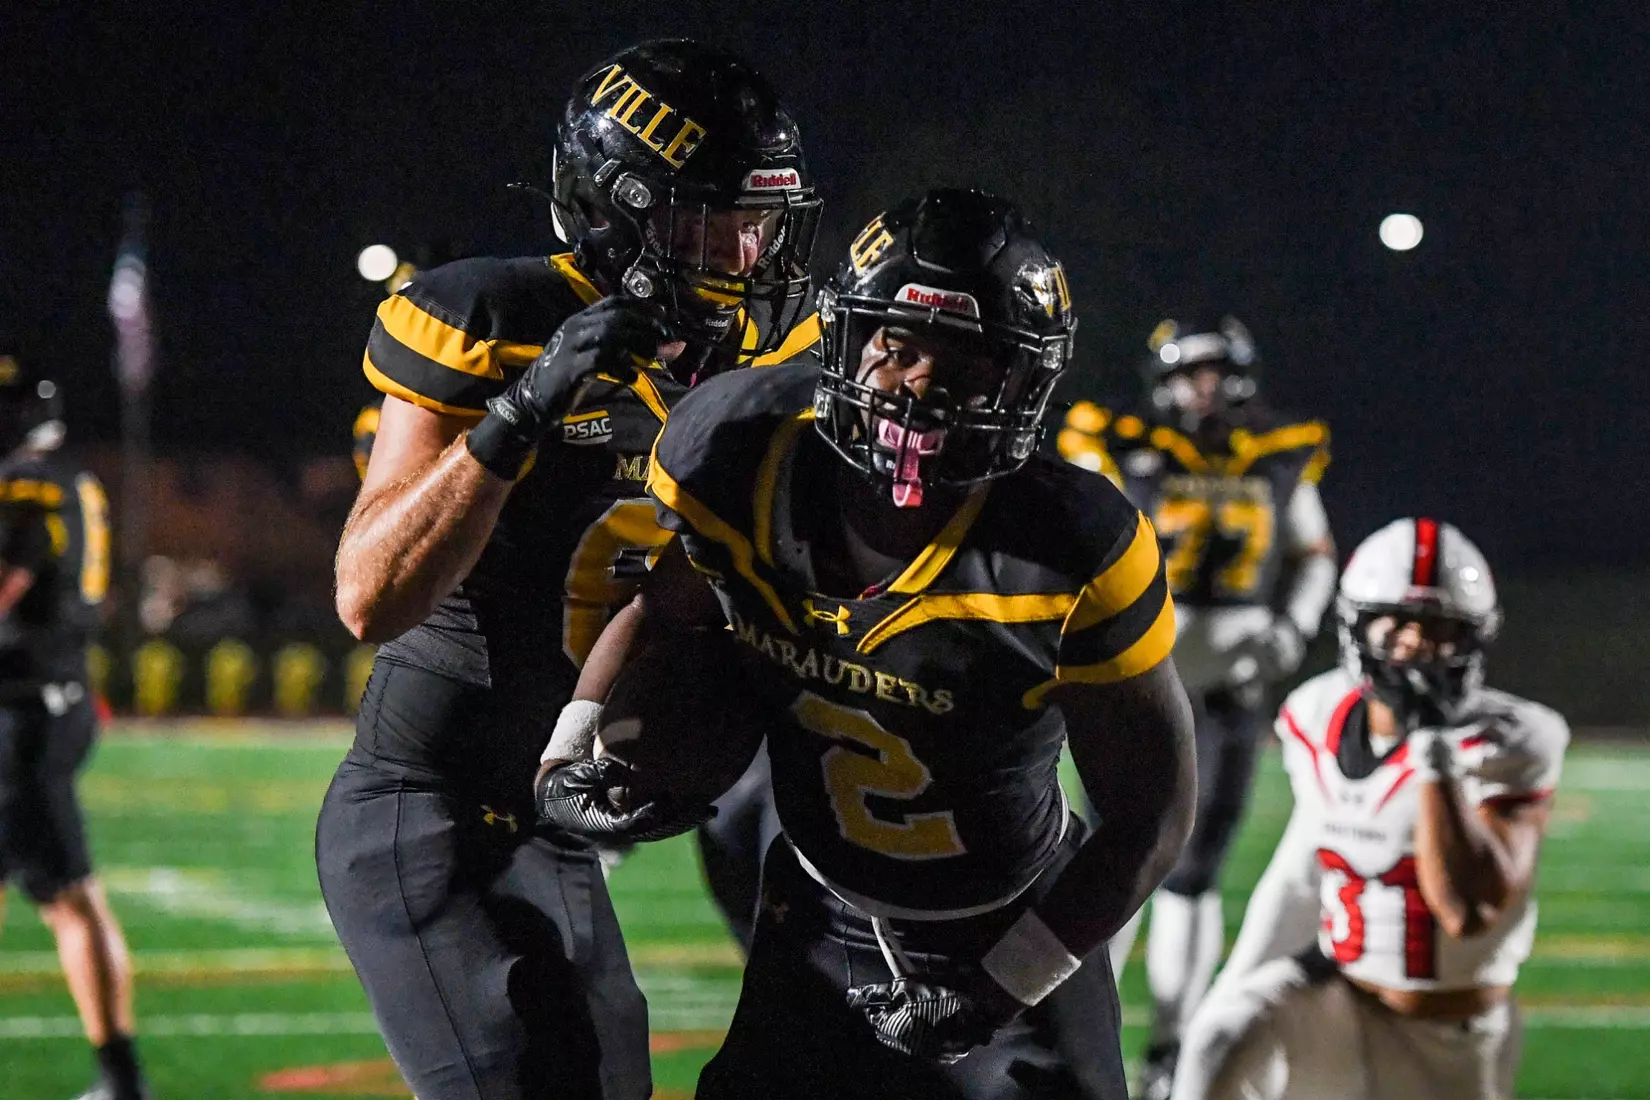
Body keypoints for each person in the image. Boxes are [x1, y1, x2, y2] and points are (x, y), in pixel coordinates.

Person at [540, 188, 1198, 1099]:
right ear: (846, 338)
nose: (922, 384)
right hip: (814, 911)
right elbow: (668, 608)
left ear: (1023, 383)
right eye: (899, 346)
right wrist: (571, 749)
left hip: (1006, 922)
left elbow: (1152, 813)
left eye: (970, 362)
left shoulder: (1067, 549)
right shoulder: (738, 452)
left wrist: (999, 988)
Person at [319, 38, 821, 1100]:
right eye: (713, 219)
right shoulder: (491, 318)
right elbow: (369, 595)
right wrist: (522, 410)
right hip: (432, 805)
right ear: (616, 207)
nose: (745, 250)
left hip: (555, 816)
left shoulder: (763, 349)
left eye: (761, 219)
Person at [1172, 517, 1568, 1100]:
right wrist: (1230, 993)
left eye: (1441, 629)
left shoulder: (1513, 741)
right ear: (1357, 628)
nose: (1417, 645)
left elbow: (1467, 908)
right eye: (1397, 623)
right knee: (1216, 1039)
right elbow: (1301, 871)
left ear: (1475, 639)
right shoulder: (1316, 712)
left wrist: (1434, 752)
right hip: (1334, 1001)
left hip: (1450, 1035)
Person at [1055, 315, 1337, 1097]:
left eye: (1210, 371)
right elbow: (1081, 542)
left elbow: (1314, 552)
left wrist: (1295, 624)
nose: (1199, 387)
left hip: (1229, 685)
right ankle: (1086, 1038)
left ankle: (1169, 1052)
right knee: (1113, 861)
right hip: (1138, 680)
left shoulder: (1278, 451)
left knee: (1192, 874)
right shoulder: (1123, 443)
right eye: (1186, 373)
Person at [0, 355, 142, 1100]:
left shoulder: (26, 484)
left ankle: (122, 1079)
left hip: (24, 708)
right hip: (53, 695)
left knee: (69, 896)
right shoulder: (71, 477)